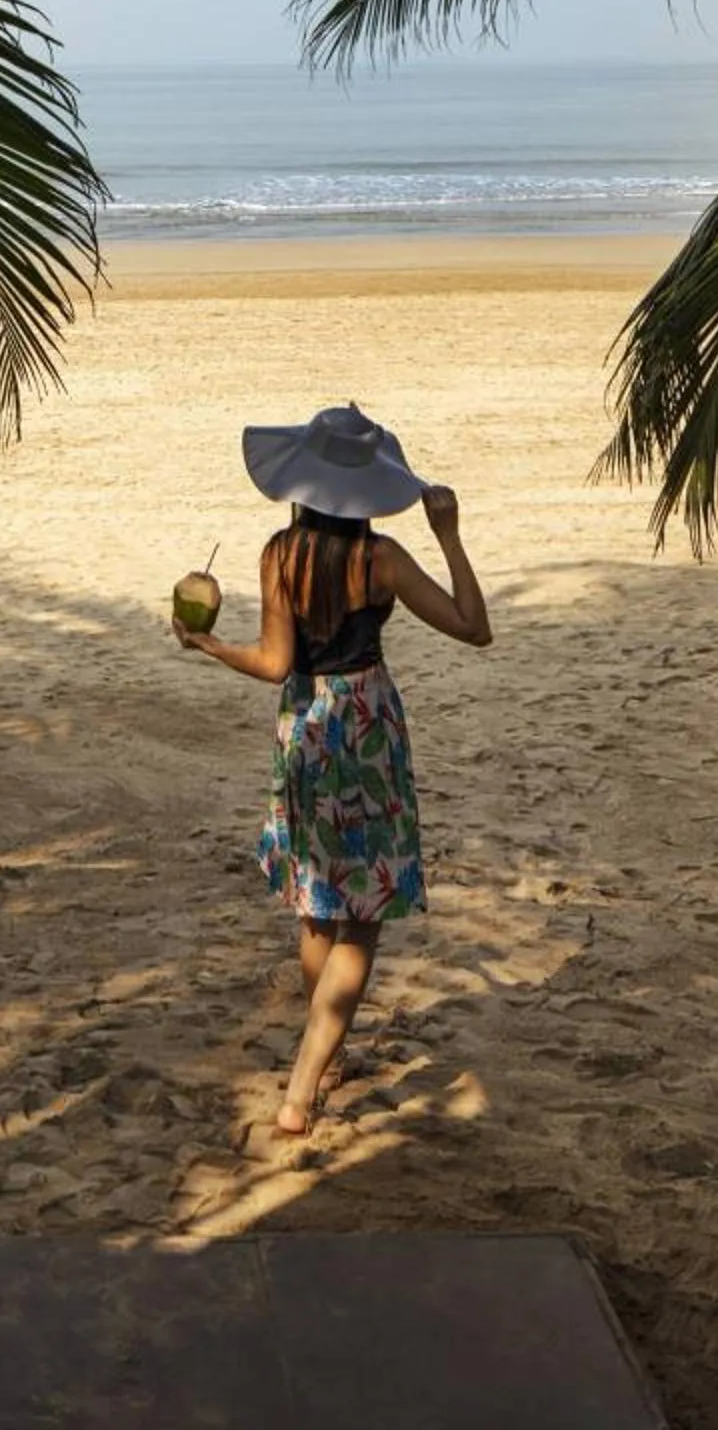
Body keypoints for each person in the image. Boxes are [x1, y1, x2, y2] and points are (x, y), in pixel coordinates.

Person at [170, 402, 491, 1136]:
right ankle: (303, 1085)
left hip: (305, 728)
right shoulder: (381, 561)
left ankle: (325, 1049)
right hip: (369, 728)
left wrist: (209, 648)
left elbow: (276, 663)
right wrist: (449, 535)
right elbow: (476, 628)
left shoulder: (279, 553)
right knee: (363, 919)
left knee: (318, 905)